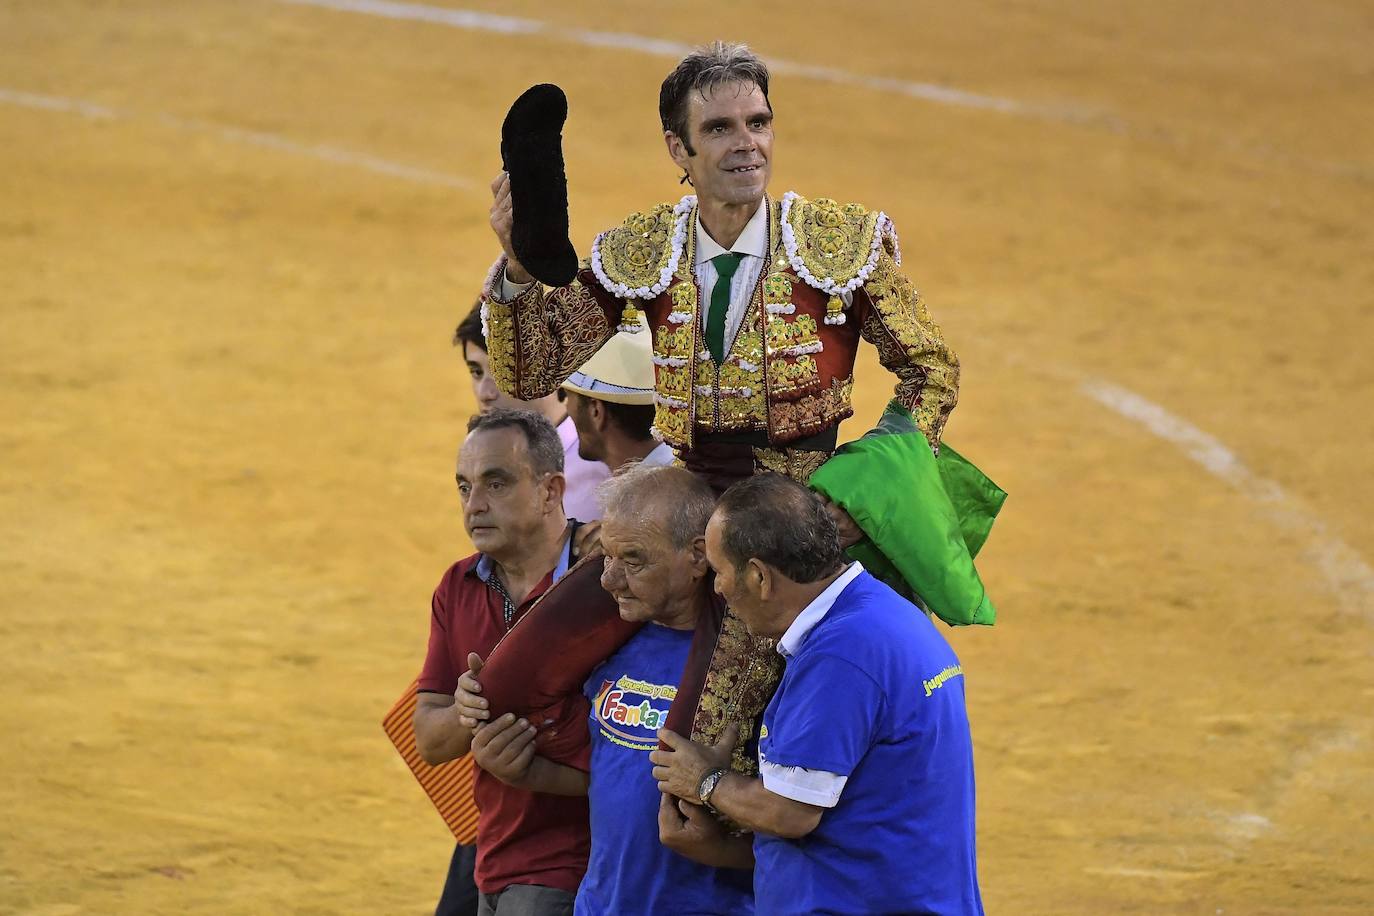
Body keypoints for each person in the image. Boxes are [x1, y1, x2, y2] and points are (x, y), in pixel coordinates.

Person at [479, 40, 960, 766]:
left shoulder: (836, 243)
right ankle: (608, 791)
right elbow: (531, 368)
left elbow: (932, 369)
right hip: (682, 499)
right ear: (680, 146)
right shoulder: (648, 250)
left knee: (706, 743)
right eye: (721, 129)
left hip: (785, 517)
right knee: (511, 679)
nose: (747, 144)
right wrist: (518, 267)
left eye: (758, 123)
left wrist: (858, 493)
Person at [651, 474, 983, 916]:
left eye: (720, 572)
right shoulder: (879, 616)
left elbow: (790, 814)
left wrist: (706, 781)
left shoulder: (841, 657)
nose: (717, 589)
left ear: (759, 577)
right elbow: (857, 824)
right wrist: (718, 847)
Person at [458, 466, 755, 916]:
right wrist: (525, 773)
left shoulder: (748, 667)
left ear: (698, 557)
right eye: (607, 558)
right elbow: (607, 771)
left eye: (633, 561)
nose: (608, 580)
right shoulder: (601, 648)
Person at [413, 408, 590, 916]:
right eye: (464, 487)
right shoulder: (456, 586)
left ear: (551, 490)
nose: (475, 505)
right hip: (491, 857)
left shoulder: (606, 582)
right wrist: (466, 712)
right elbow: (430, 739)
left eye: (496, 483)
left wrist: (535, 771)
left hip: (574, 867)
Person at [455, 303, 608, 522]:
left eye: (504, 373)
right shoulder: (481, 467)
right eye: (477, 372)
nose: (485, 393)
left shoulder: (600, 474)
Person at [559, 321, 675, 471]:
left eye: (568, 396)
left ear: (596, 411)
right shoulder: (675, 475)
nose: (567, 407)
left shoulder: (659, 490)